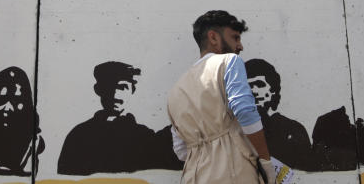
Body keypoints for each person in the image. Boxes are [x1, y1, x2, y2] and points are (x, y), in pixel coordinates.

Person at [167, 10, 275, 183]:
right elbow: (245, 111)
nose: (240, 46)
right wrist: (265, 162)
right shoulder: (229, 62)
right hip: (234, 172)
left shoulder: (176, 90)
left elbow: (180, 150)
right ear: (214, 38)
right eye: (235, 38)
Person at [58, 61, 164, 174]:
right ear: (98, 90)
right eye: (109, 87)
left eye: (122, 87)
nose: (115, 95)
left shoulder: (144, 136)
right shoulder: (79, 136)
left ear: (133, 90)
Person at [245, 58, 313, 170]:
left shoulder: (293, 130)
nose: (254, 91)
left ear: (273, 90)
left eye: (259, 84)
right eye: (249, 86)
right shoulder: (238, 129)